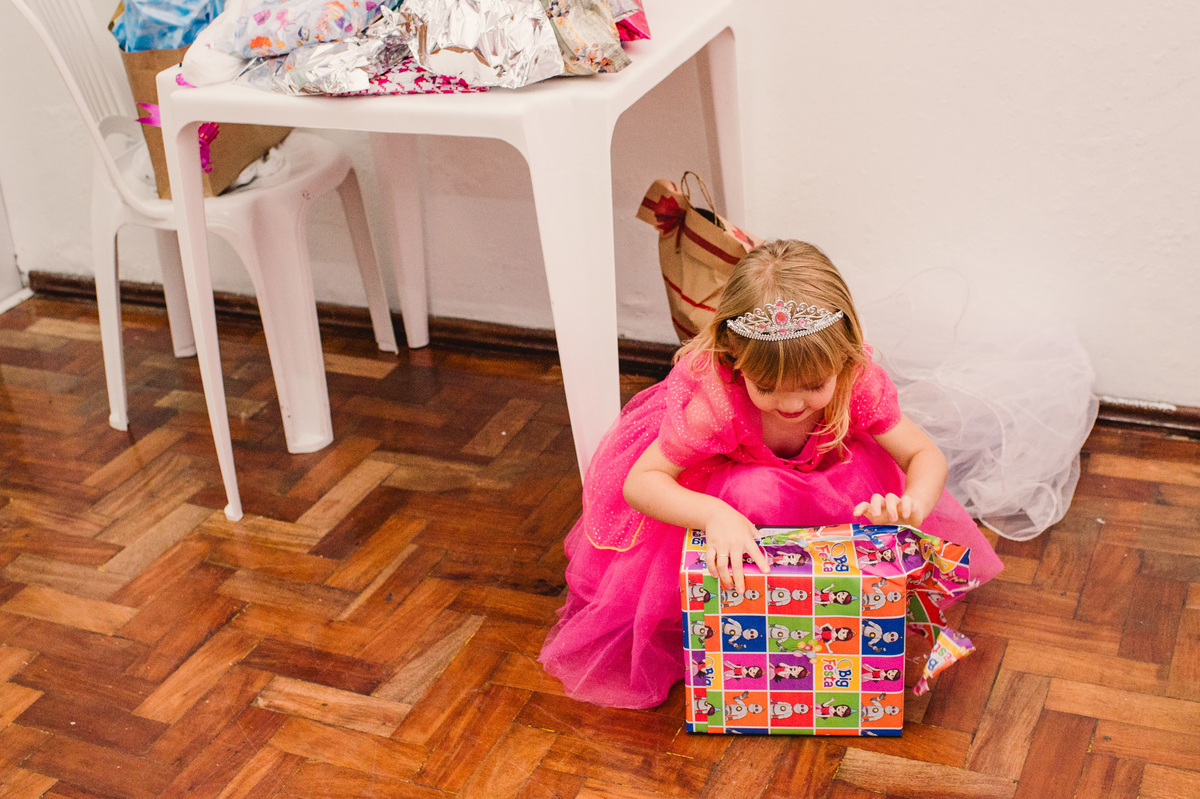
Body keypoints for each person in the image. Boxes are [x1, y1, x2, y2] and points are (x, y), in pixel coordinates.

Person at [538, 239, 1003, 709]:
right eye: (767, 388)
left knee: (845, 491)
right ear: (734, 360)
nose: (792, 403)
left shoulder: (854, 380)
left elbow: (923, 454)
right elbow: (641, 481)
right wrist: (713, 515)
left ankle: (821, 605)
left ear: (843, 361)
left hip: (829, 491)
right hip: (737, 502)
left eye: (814, 385)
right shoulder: (717, 402)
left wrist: (911, 505)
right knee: (757, 491)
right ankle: (752, 609)